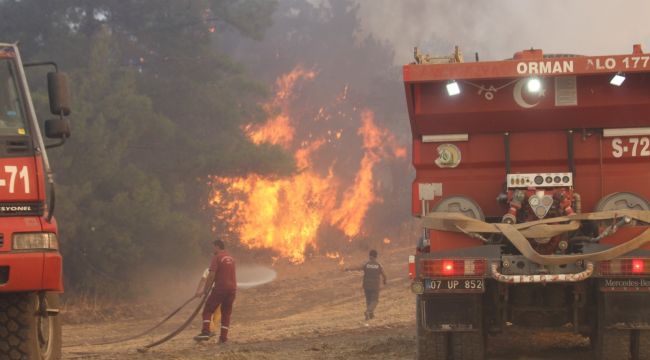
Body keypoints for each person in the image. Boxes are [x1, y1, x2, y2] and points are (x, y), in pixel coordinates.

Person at [194, 239, 237, 343]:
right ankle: (223, 339)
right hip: (232, 289)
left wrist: (205, 290)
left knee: (207, 310)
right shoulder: (231, 258)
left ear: (217, 246)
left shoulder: (217, 257)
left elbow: (211, 274)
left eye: (213, 247)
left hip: (220, 288)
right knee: (226, 314)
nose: (212, 249)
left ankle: (205, 332)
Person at [346, 249, 387, 320]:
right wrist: (384, 281)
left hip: (366, 285)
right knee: (374, 301)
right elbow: (384, 275)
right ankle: (368, 312)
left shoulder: (366, 264)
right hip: (375, 286)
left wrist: (348, 269)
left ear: (369, 256)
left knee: (368, 300)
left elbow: (357, 268)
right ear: (376, 256)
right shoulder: (378, 265)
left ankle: (371, 315)